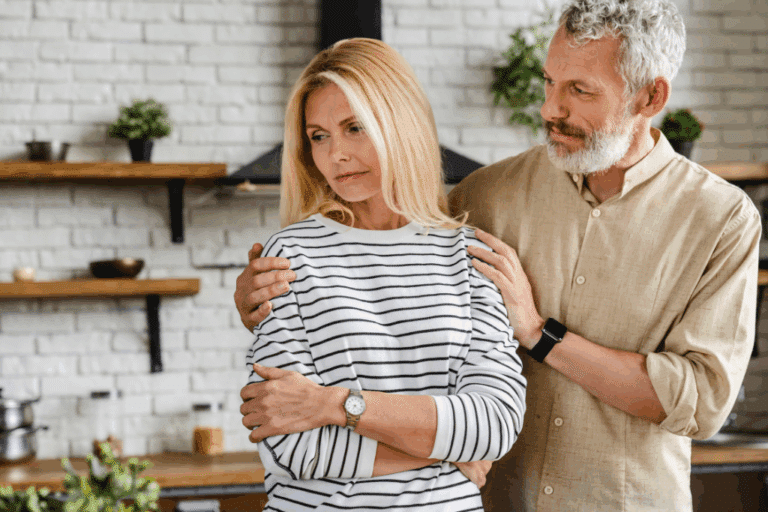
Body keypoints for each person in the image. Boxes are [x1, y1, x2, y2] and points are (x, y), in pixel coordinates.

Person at [236, 1, 761, 510]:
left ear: (651, 97)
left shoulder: (720, 219)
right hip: (496, 497)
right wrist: (257, 299)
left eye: (579, 90)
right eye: (550, 82)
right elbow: (386, 244)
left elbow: (703, 399)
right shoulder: (487, 196)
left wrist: (538, 332)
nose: (551, 109)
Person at [238, 37, 527, 511]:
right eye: (319, 136)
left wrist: (335, 405)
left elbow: (494, 425)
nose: (336, 155)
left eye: (355, 128)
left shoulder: (469, 256)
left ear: (400, 124)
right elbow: (292, 448)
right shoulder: (289, 258)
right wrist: (446, 450)